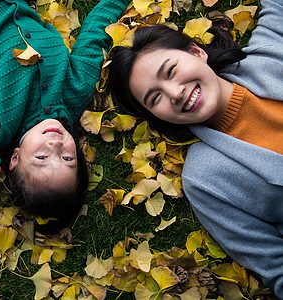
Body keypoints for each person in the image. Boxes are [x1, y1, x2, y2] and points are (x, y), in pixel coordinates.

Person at [108, 0, 283, 297]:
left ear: (196, 52)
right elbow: (276, 267)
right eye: (155, 98)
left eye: (171, 70)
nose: (175, 93)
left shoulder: (269, 54)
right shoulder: (206, 181)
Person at [0, 0, 130, 233]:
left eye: (41, 157)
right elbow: (96, 31)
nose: (55, 145)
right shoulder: (77, 89)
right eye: (67, 159)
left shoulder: (1, 129)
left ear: (15, 158)